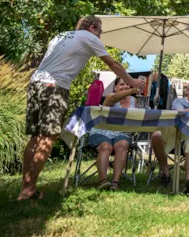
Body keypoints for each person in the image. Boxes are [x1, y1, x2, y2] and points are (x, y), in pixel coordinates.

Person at [17, 16, 145, 201]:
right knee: (48, 137)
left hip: (36, 84)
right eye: (100, 33)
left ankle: (27, 186)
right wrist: (132, 81)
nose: (99, 37)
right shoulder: (88, 37)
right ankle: (28, 190)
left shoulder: (61, 36)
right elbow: (113, 64)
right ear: (92, 28)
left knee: (36, 136)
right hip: (55, 86)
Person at [150, 80, 189, 194]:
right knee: (156, 135)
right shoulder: (178, 102)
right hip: (175, 134)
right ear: (188, 90)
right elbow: (182, 114)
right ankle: (165, 174)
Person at [88, 77, 141, 190]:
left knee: (122, 145)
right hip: (102, 130)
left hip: (122, 132)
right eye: (122, 84)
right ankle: (103, 180)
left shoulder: (133, 101)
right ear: (115, 87)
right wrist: (132, 90)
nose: (125, 86)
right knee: (106, 146)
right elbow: (109, 101)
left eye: (128, 84)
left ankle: (115, 182)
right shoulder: (110, 97)